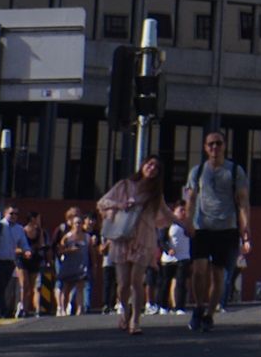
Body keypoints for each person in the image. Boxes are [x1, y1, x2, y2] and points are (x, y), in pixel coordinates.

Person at [182, 129, 251, 331]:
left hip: (226, 228)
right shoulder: (198, 171)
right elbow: (191, 198)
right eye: (211, 144)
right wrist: (188, 221)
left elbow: (243, 202)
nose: (215, 147)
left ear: (224, 146)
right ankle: (198, 306)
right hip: (202, 227)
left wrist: (245, 228)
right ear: (205, 148)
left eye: (218, 143)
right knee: (199, 270)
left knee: (219, 274)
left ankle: (209, 314)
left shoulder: (235, 170)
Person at [97, 157, 173, 334]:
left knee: (136, 281)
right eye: (149, 164)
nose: (152, 168)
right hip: (122, 237)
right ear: (143, 165)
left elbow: (166, 213)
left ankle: (136, 320)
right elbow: (103, 202)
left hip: (143, 238)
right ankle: (125, 310)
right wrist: (120, 205)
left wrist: (185, 224)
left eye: (156, 166)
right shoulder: (124, 185)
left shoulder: (155, 194)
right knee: (123, 283)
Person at [161, 203, 192, 318]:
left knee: (181, 283)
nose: (183, 212)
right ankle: (163, 306)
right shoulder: (168, 224)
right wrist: (168, 249)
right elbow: (162, 240)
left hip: (183, 257)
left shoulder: (188, 225)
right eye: (180, 210)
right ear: (173, 212)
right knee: (165, 283)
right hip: (169, 259)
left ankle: (179, 307)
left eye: (185, 210)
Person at [16, 211, 47, 317]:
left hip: (34, 259)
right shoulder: (22, 231)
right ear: (33, 219)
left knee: (34, 286)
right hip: (22, 259)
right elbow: (15, 247)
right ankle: (22, 307)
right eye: (38, 218)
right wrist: (25, 251)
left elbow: (41, 245)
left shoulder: (39, 231)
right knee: (24, 284)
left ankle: (34, 308)